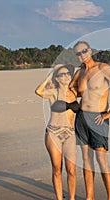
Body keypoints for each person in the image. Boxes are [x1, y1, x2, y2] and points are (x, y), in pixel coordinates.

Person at [69, 41, 110, 200]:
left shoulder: (103, 68)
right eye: (78, 53)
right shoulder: (79, 72)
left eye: (84, 51)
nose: (82, 55)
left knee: (101, 159)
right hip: (81, 118)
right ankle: (90, 196)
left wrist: (109, 113)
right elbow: (71, 90)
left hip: (98, 117)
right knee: (86, 160)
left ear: (90, 50)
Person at [35, 64, 80, 200]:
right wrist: (50, 74)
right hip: (53, 133)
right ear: (57, 78)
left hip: (70, 134)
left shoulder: (74, 92)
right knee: (57, 168)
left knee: (71, 170)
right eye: (62, 74)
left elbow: (87, 87)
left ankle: (71, 198)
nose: (66, 76)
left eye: (68, 73)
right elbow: (38, 91)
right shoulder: (53, 92)